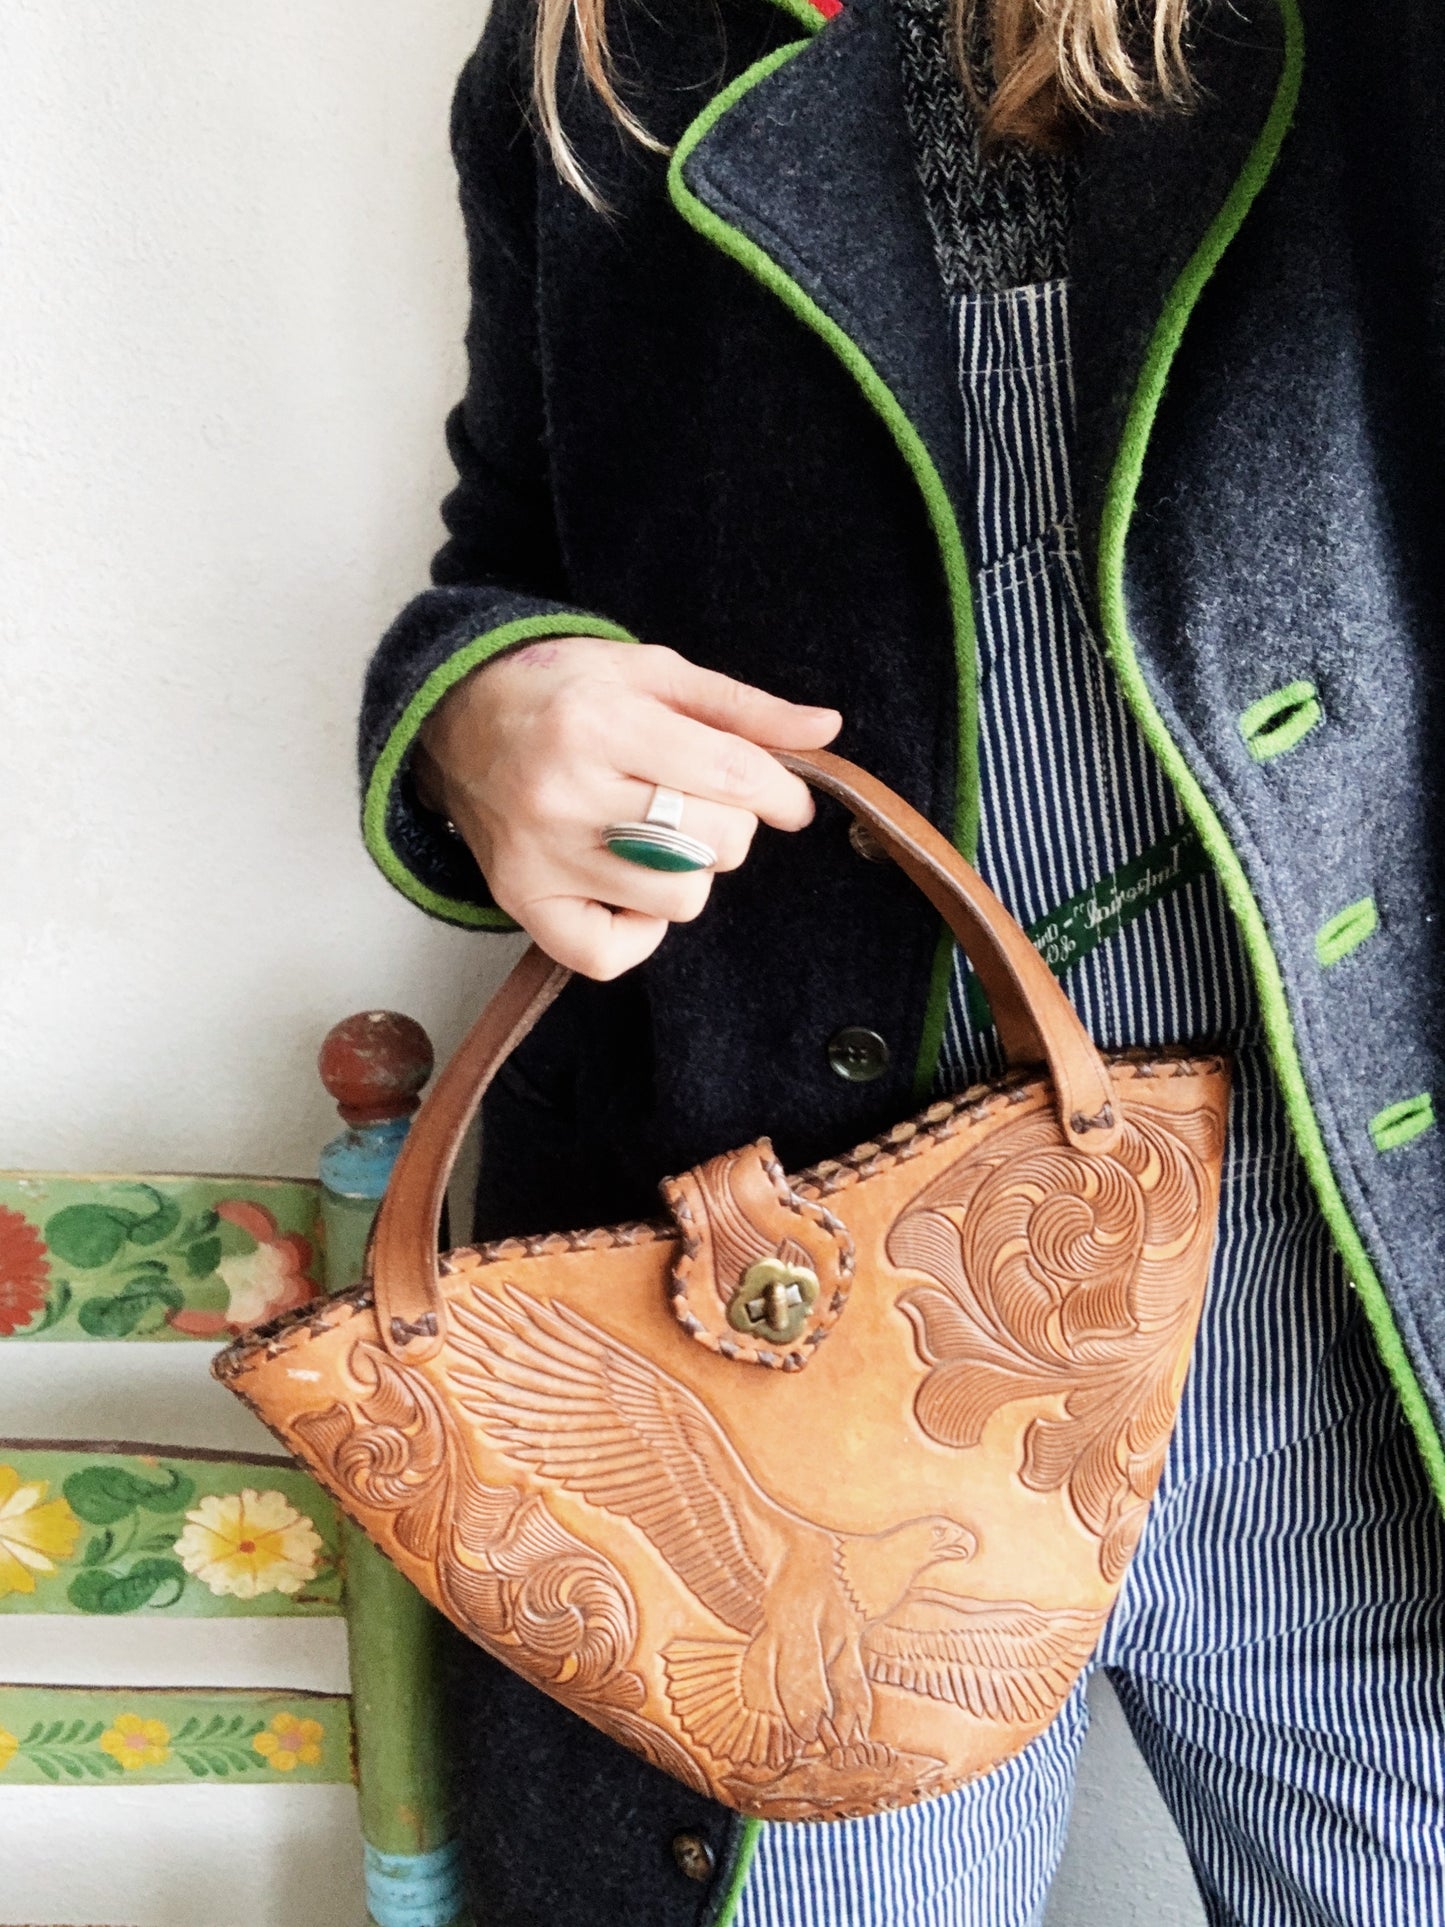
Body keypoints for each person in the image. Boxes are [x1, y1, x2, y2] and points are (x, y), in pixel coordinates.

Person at [359, 0, 1445, 1918]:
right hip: (791, 1333)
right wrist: (485, 712)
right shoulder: (585, 62)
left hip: (1353, 1295)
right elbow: (509, 534)